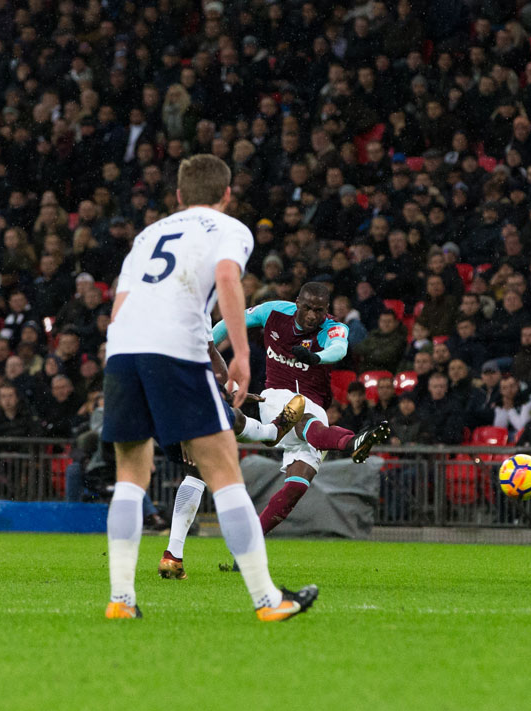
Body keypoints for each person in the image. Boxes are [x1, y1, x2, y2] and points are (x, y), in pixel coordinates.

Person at [100, 154, 317, 621]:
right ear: (226, 195)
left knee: (129, 476)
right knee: (222, 471)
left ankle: (121, 600)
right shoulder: (230, 228)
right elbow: (226, 278)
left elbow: (119, 305)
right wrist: (241, 353)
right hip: (176, 349)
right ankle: (267, 599)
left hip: (121, 350)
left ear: (178, 196)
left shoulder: (148, 235)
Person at [161, 282, 391, 577]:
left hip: (314, 401)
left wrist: (316, 357)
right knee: (309, 424)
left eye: (319, 311)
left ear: (326, 311)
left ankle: (246, 546)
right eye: (307, 308)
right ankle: (350, 441)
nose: (311, 315)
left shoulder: (332, 329)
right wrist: (209, 347)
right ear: (297, 302)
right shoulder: (273, 312)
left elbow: (339, 349)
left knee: (296, 487)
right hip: (277, 397)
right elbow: (232, 324)